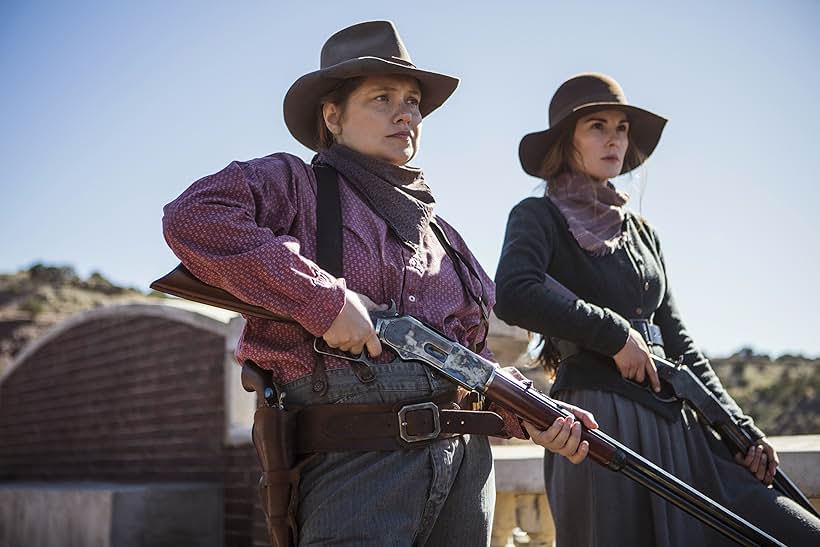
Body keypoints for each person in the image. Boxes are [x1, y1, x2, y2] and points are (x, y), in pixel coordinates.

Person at [162, 21, 593, 547]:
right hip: (356, 467)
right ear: (332, 115)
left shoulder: (445, 237)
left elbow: (465, 360)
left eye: (412, 101)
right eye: (381, 98)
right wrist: (323, 299)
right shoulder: (295, 185)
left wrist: (533, 410)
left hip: (466, 469)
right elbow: (193, 216)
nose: (405, 113)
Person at [494, 72, 820, 546]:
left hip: (678, 421)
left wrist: (739, 428)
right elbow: (515, 292)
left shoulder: (643, 233)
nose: (613, 139)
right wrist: (616, 336)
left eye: (621, 128)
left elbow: (680, 339)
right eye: (597, 127)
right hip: (600, 423)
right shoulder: (535, 216)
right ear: (568, 141)